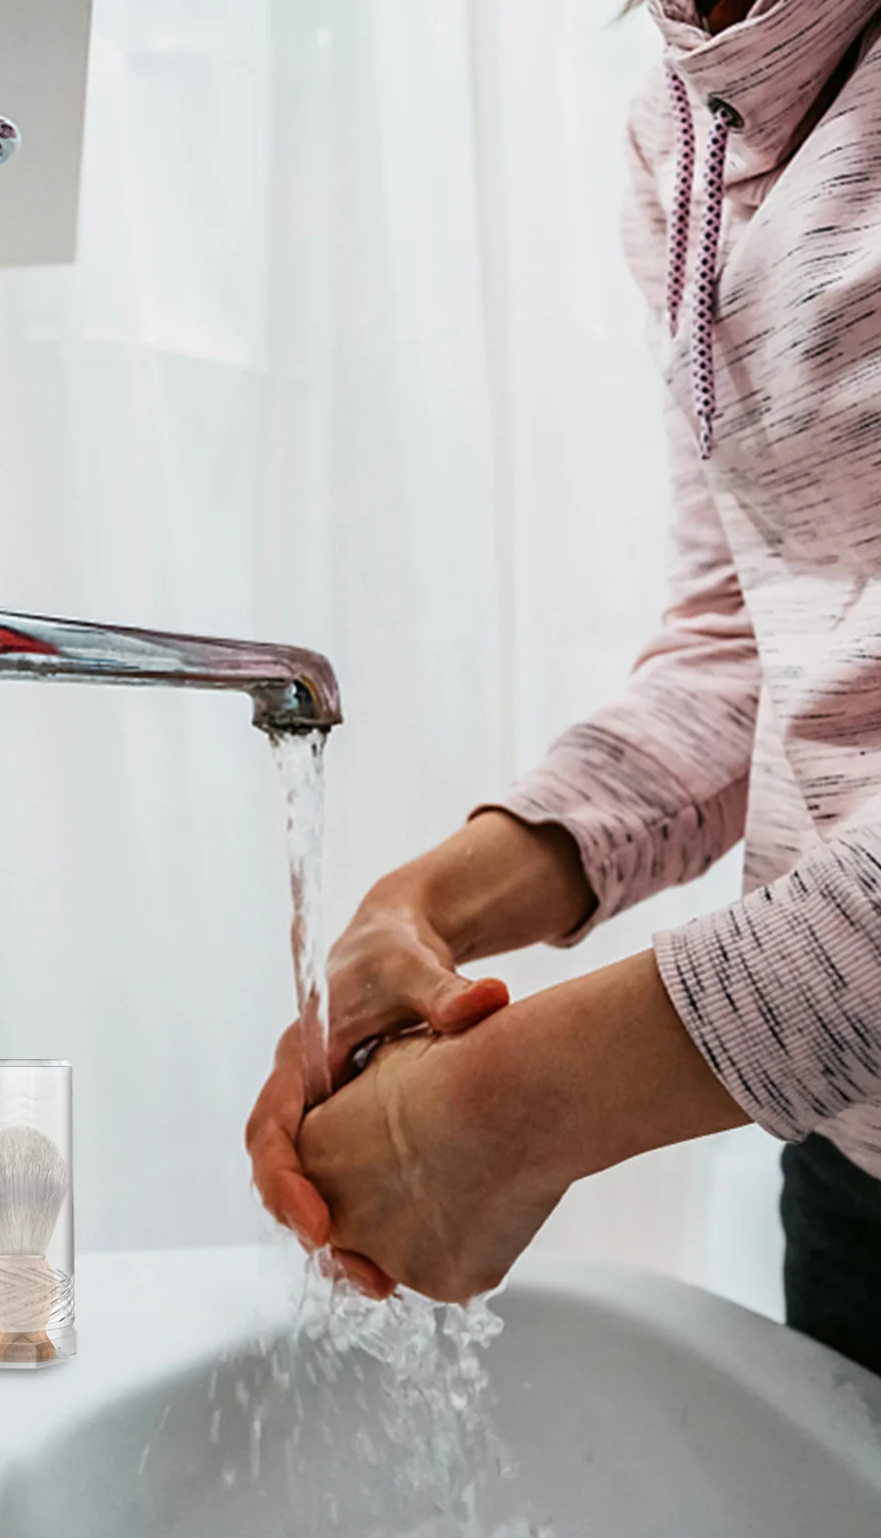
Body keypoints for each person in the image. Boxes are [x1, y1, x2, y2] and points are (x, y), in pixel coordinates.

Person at [247, 0, 881, 1380]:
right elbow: (747, 642)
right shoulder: (687, 122)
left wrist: (506, 1109)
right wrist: (425, 905)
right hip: (853, 1150)